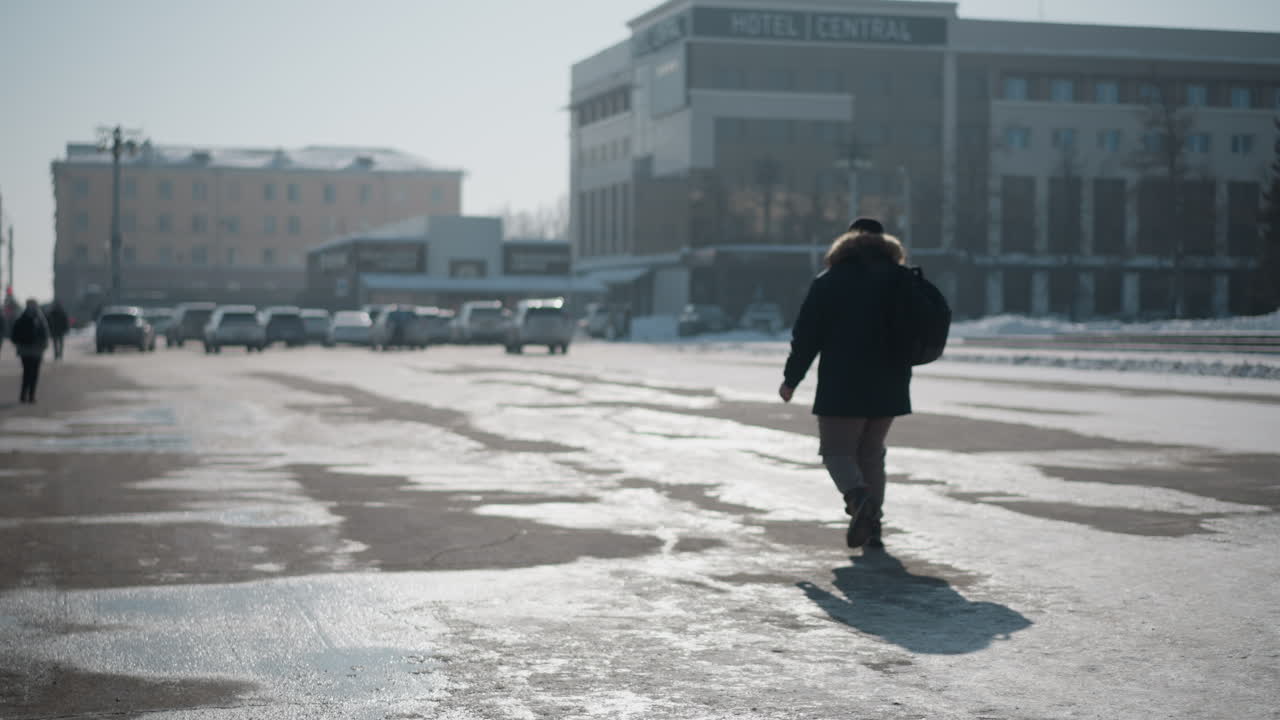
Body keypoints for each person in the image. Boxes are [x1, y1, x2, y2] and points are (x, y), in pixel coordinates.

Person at [778, 217, 911, 549]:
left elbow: (806, 335)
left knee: (837, 452)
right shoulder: (901, 279)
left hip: (844, 382)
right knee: (871, 454)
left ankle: (858, 499)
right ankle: (873, 527)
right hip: (891, 382)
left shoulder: (831, 281)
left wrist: (792, 378)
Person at [10, 298, 50, 404]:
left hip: (27, 351)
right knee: (32, 373)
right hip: (33, 351)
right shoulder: (39, 319)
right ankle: (29, 395)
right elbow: (45, 334)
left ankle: (26, 395)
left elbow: (14, 335)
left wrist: (20, 345)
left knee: (28, 373)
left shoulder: (23, 318)